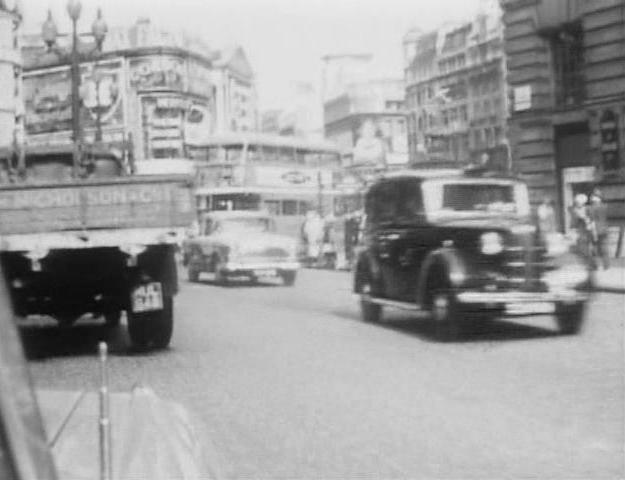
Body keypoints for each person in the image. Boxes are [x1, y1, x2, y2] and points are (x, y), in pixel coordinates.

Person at [588, 188, 610, 270]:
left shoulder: (591, 208)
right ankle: (606, 265)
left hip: (596, 229)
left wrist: (593, 232)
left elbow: (592, 220)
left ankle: (595, 265)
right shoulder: (605, 206)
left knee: (594, 249)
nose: (591, 197)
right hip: (604, 229)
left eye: (593, 196)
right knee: (604, 248)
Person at [570, 193, 592, 258]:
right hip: (579, 228)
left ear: (583, 202)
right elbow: (574, 219)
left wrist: (584, 218)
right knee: (580, 242)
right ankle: (584, 255)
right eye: (577, 202)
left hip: (586, 228)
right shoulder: (575, 209)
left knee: (586, 243)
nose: (577, 203)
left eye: (579, 202)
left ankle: (588, 256)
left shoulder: (587, 208)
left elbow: (590, 218)